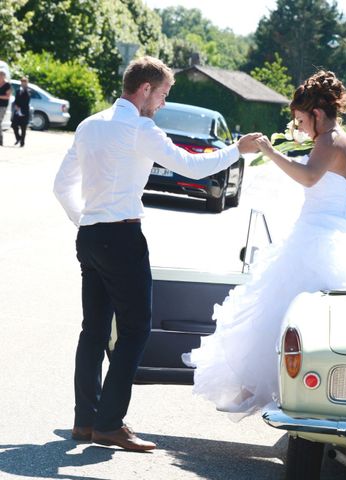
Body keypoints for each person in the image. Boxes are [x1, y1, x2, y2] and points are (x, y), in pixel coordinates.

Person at [53, 56, 260, 451]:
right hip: (123, 239)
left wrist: (86, 222)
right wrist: (237, 148)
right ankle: (109, 424)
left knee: (93, 330)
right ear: (144, 89)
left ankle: (85, 420)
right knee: (134, 331)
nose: (163, 104)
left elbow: (61, 186)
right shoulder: (140, 128)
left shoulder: (89, 124)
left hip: (90, 237)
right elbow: (193, 167)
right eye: (163, 94)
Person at [183, 70, 346, 420]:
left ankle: (255, 389)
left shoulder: (327, 141)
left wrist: (270, 151)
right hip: (342, 237)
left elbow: (310, 178)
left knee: (276, 313)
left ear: (316, 114)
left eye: (301, 119)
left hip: (312, 238)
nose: (300, 127)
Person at [12, 76, 30, 147]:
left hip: (24, 111)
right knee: (14, 125)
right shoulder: (18, 91)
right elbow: (16, 100)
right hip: (17, 111)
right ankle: (18, 138)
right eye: (22, 82)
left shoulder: (28, 91)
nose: (23, 84)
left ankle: (22, 142)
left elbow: (27, 101)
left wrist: (25, 90)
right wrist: (16, 105)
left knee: (23, 128)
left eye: (24, 82)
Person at [0, 71, 11, 146]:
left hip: (3, 106)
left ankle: (1, 139)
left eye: (1, 76)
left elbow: (8, 97)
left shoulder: (7, 85)